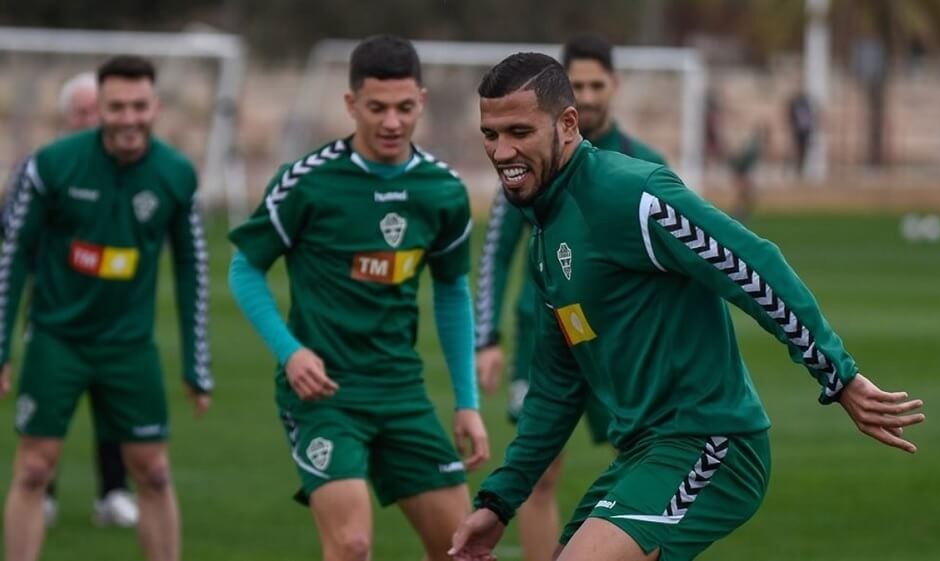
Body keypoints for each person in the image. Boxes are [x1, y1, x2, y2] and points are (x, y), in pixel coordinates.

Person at [451, 52, 924, 561]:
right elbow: (556, 388)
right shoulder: (545, 235)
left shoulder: (630, 193)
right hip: (644, 452)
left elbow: (752, 266)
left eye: (519, 131)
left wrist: (838, 375)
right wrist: (500, 502)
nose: (502, 151)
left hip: (711, 441)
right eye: (490, 134)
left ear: (567, 125)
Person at [228, 35, 489, 561]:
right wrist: (291, 351)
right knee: (351, 546)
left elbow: (452, 291)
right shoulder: (306, 182)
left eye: (404, 107)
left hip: (401, 392)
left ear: (422, 100)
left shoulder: (442, 191)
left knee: (463, 551)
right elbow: (245, 269)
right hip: (326, 396)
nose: (391, 122)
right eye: (376, 108)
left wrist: (467, 403)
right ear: (351, 105)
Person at [0, 55, 212, 561]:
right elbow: (12, 257)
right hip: (56, 341)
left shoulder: (176, 174)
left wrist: (196, 363)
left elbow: (193, 269)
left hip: (129, 348)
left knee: (155, 473)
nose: (129, 118)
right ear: (99, 109)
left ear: (155, 107)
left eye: (140, 106)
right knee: (33, 469)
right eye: (116, 107)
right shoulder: (51, 165)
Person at [474, 34, 666, 561]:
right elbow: (495, 253)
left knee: (643, 462)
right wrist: (486, 337)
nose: (587, 92)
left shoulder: (642, 166)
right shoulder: (523, 163)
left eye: (595, 84)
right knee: (540, 471)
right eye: (577, 83)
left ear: (613, 88)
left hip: (619, 348)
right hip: (545, 339)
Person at [28, 71, 140, 529]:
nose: (89, 118)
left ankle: (113, 493)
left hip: (115, 315)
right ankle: (44, 494)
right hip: (54, 312)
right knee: (48, 409)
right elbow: (15, 237)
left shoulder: (132, 170)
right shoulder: (45, 166)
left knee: (113, 407)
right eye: (81, 111)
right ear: (65, 116)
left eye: (96, 110)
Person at [786, 90, 815, 175]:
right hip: (798, 130)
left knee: (804, 150)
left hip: (805, 131)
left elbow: (810, 118)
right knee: (797, 149)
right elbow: (791, 116)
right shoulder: (796, 106)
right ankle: (796, 167)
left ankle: (801, 167)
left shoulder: (806, 106)